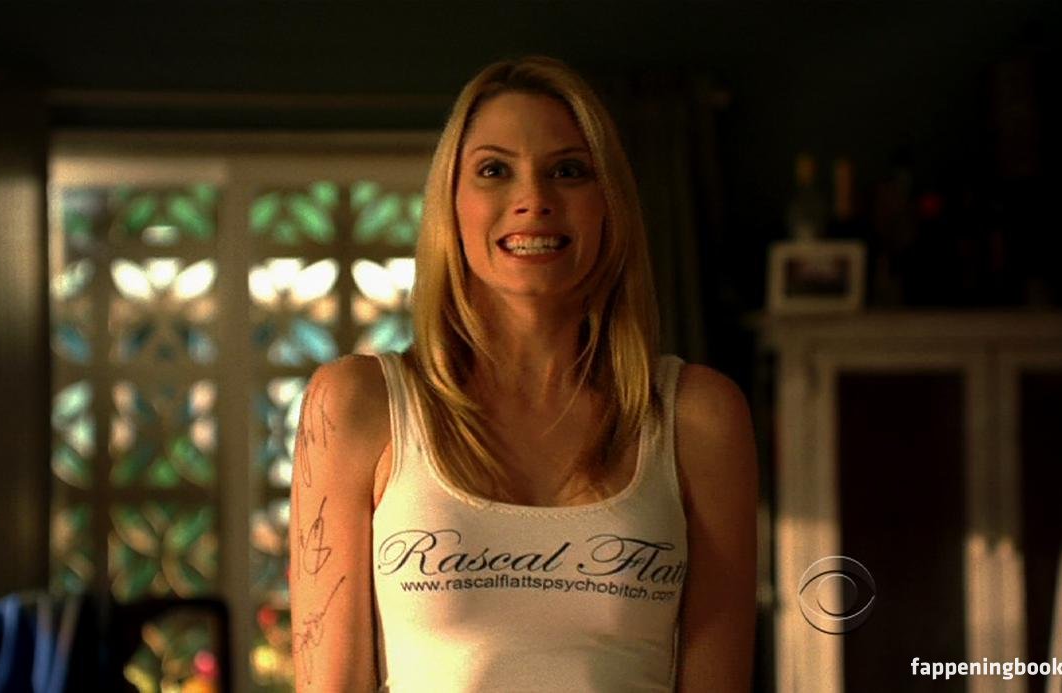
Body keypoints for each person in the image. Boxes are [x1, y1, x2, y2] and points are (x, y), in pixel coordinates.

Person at [288, 55, 757, 692]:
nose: (534, 200)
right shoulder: (356, 404)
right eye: (494, 170)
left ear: (609, 204)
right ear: (451, 204)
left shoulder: (698, 415)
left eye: (568, 171)